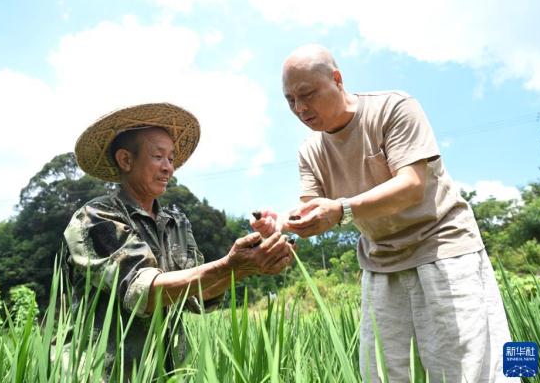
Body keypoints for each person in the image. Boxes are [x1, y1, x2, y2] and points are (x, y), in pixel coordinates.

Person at [251, 45, 516, 382]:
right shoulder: (310, 151)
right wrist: (281, 223)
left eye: (307, 94)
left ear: (337, 79)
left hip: (442, 251)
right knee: (384, 373)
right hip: (381, 263)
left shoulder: (394, 108)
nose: (300, 108)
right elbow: (313, 212)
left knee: (465, 369)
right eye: (290, 100)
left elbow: (412, 185)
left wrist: (343, 209)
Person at [63, 102, 294, 378]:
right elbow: (142, 293)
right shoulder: (95, 217)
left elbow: (195, 296)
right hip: (103, 372)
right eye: (158, 156)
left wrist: (244, 268)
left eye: (171, 159)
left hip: (165, 371)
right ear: (126, 160)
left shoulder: (177, 223)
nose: (168, 168)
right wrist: (228, 266)